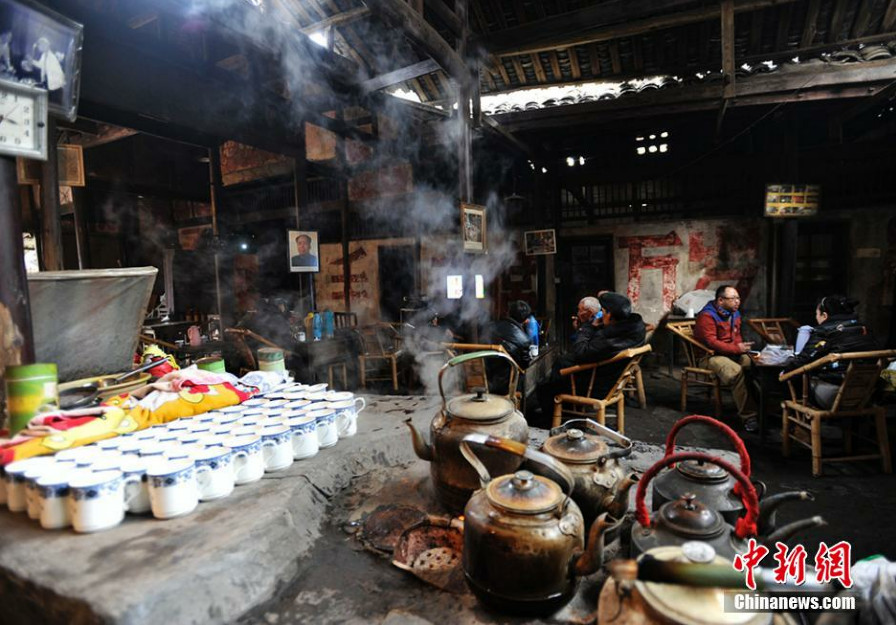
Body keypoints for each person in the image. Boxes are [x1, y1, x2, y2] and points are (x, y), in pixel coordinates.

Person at [536, 292, 646, 419]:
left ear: (610, 314)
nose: (601, 314)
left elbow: (580, 352)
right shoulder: (635, 328)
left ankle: (553, 416)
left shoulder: (608, 339)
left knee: (545, 385)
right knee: (561, 365)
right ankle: (566, 407)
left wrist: (587, 327)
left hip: (597, 385)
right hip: (612, 378)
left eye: (604, 311)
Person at [781, 295, 878, 409]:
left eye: (817, 314)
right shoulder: (865, 328)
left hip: (834, 396)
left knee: (791, 378)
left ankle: (800, 421)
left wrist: (785, 372)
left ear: (825, 315)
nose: (816, 318)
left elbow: (804, 359)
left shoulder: (824, 331)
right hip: (867, 393)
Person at [693, 285, 758, 430]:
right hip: (710, 356)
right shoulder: (707, 316)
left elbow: (737, 335)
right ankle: (749, 417)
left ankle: (761, 407)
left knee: (753, 364)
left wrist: (741, 349)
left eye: (738, 298)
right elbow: (712, 343)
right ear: (720, 300)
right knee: (736, 372)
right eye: (733, 298)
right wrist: (737, 349)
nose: (737, 302)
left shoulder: (734, 313)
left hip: (730, 353)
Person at [485, 300, 534, 395]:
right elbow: (525, 364)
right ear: (526, 320)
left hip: (483, 378)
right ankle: (518, 405)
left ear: (509, 312)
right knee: (521, 375)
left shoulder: (490, 326)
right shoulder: (524, 340)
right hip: (504, 385)